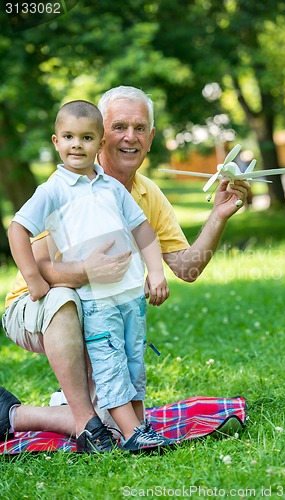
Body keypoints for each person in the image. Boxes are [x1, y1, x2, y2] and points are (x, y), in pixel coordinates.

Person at [1, 86, 250, 453]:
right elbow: (42, 269)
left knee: (119, 426)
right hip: (41, 308)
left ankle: (38, 413)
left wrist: (218, 216)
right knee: (68, 297)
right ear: (103, 134)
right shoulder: (65, 190)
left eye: (140, 127)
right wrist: (88, 270)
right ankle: (55, 418)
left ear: (150, 138)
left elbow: (187, 267)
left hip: (100, 310)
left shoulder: (144, 195)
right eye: (119, 126)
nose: (130, 137)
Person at [7, 100, 173, 452]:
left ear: (99, 145)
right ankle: (130, 435)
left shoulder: (111, 188)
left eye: (85, 138)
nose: (76, 145)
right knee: (109, 360)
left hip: (129, 295)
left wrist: (156, 272)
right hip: (95, 299)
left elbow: (143, 229)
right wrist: (35, 281)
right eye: (68, 137)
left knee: (133, 360)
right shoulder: (53, 191)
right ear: (55, 141)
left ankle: (139, 426)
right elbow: (17, 229)